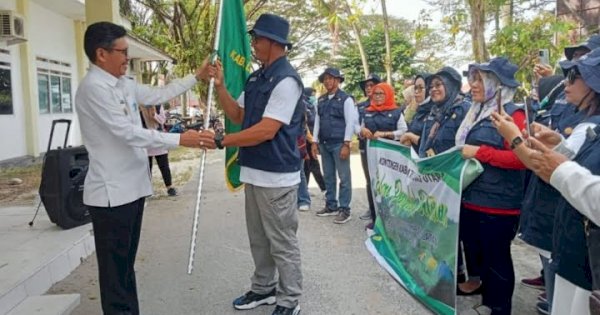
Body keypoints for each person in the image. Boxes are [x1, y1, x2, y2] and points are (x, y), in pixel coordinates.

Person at [75, 21, 215, 315]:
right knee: (115, 276)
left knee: (125, 268)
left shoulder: (121, 84)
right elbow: (127, 132)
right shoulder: (93, 89)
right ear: (102, 54)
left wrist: (196, 77)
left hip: (132, 191)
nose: (127, 58)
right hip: (111, 196)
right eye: (123, 52)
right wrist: (180, 138)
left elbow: (156, 95)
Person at [202, 13, 303, 315]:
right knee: (259, 240)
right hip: (255, 174)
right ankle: (263, 289)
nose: (254, 44)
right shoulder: (257, 77)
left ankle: (289, 300)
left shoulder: (287, 81)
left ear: (272, 42)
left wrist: (222, 142)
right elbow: (237, 115)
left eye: (257, 39)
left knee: (282, 243)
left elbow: (265, 130)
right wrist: (220, 86)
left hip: (277, 179)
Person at [492, 49, 600, 315]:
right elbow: (575, 165)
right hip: (573, 246)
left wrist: (514, 138)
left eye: (575, 75)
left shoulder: (590, 126)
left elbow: (550, 168)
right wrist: (558, 144)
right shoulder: (592, 126)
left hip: (587, 260)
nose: (566, 83)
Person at [456, 57, 527, 315]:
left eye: (479, 79)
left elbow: (522, 160)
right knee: (480, 255)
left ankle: (500, 308)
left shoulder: (514, 114)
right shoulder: (476, 111)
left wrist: (480, 152)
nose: (472, 84)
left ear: (496, 85)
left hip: (499, 204)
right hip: (473, 198)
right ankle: (487, 300)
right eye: (471, 78)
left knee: (497, 260)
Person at [311, 67, 357, 224]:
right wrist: (314, 141)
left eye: (331, 78)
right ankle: (331, 205)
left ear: (338, 80)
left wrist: (346, 143)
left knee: (344, 177)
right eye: (325, 79)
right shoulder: (321, 100)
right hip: (324, 144)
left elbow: (350, 122)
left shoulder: (346, 99)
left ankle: (345, 209)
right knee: (329, 176)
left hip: (339, 144)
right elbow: (317, 121)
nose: (328, 81)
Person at [359, 82, 408, 230]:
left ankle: (392, 220)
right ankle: (376, 218)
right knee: (372, 183)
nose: (378, 97)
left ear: (388, 95)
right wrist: (362, 131)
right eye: (375, 94)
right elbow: (360, 128)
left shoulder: (396, 111)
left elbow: (404, 131)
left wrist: (387, 134)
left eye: (381, 94)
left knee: (390, 184)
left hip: (389, 155)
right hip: (371, 153)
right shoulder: (367, 111)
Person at [414, 67, 470, 158]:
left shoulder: (464, 110)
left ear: (450, 86)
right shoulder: (434, 112)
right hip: (430, 168)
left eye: (438, 85)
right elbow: (424, 146)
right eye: (431, 87)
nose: (433, 89)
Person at [356, 73, 382, 222]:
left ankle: (383, 212)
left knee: (383, 181)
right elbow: (354, 124)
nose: (369, 88)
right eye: (366, 86)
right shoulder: (360, 107)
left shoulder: (388, 106)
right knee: (369, 180)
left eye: (372, 85)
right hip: (365, 148)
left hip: (383, 150)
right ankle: (372, 210)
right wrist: (360, 130)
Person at [139, 104, 178, 196]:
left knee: (164, 165)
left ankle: (170, 187)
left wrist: (154, 115)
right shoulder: (139, 107)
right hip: (145, 139)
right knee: (147, 167)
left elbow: (162, 120)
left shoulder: (158, 106)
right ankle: (147, 189)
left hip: (158, 138)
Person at [302, 87, 326, 194]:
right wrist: (312, 140)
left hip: (312, 140)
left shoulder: (312, 106)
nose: (313, 97)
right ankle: (324, 188)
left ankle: (305, 190)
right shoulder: (303, 105)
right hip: (306, 141)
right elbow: (304, 125)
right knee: (312, 165)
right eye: (312, 94)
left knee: (309, 166)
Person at [401, 73, 432, 147]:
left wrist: (410, 137)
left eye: (421, 88)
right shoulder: (419, 111)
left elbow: (433, 144)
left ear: (429, 89)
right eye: (415, 88)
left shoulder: (435, 112)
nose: (416, 91)